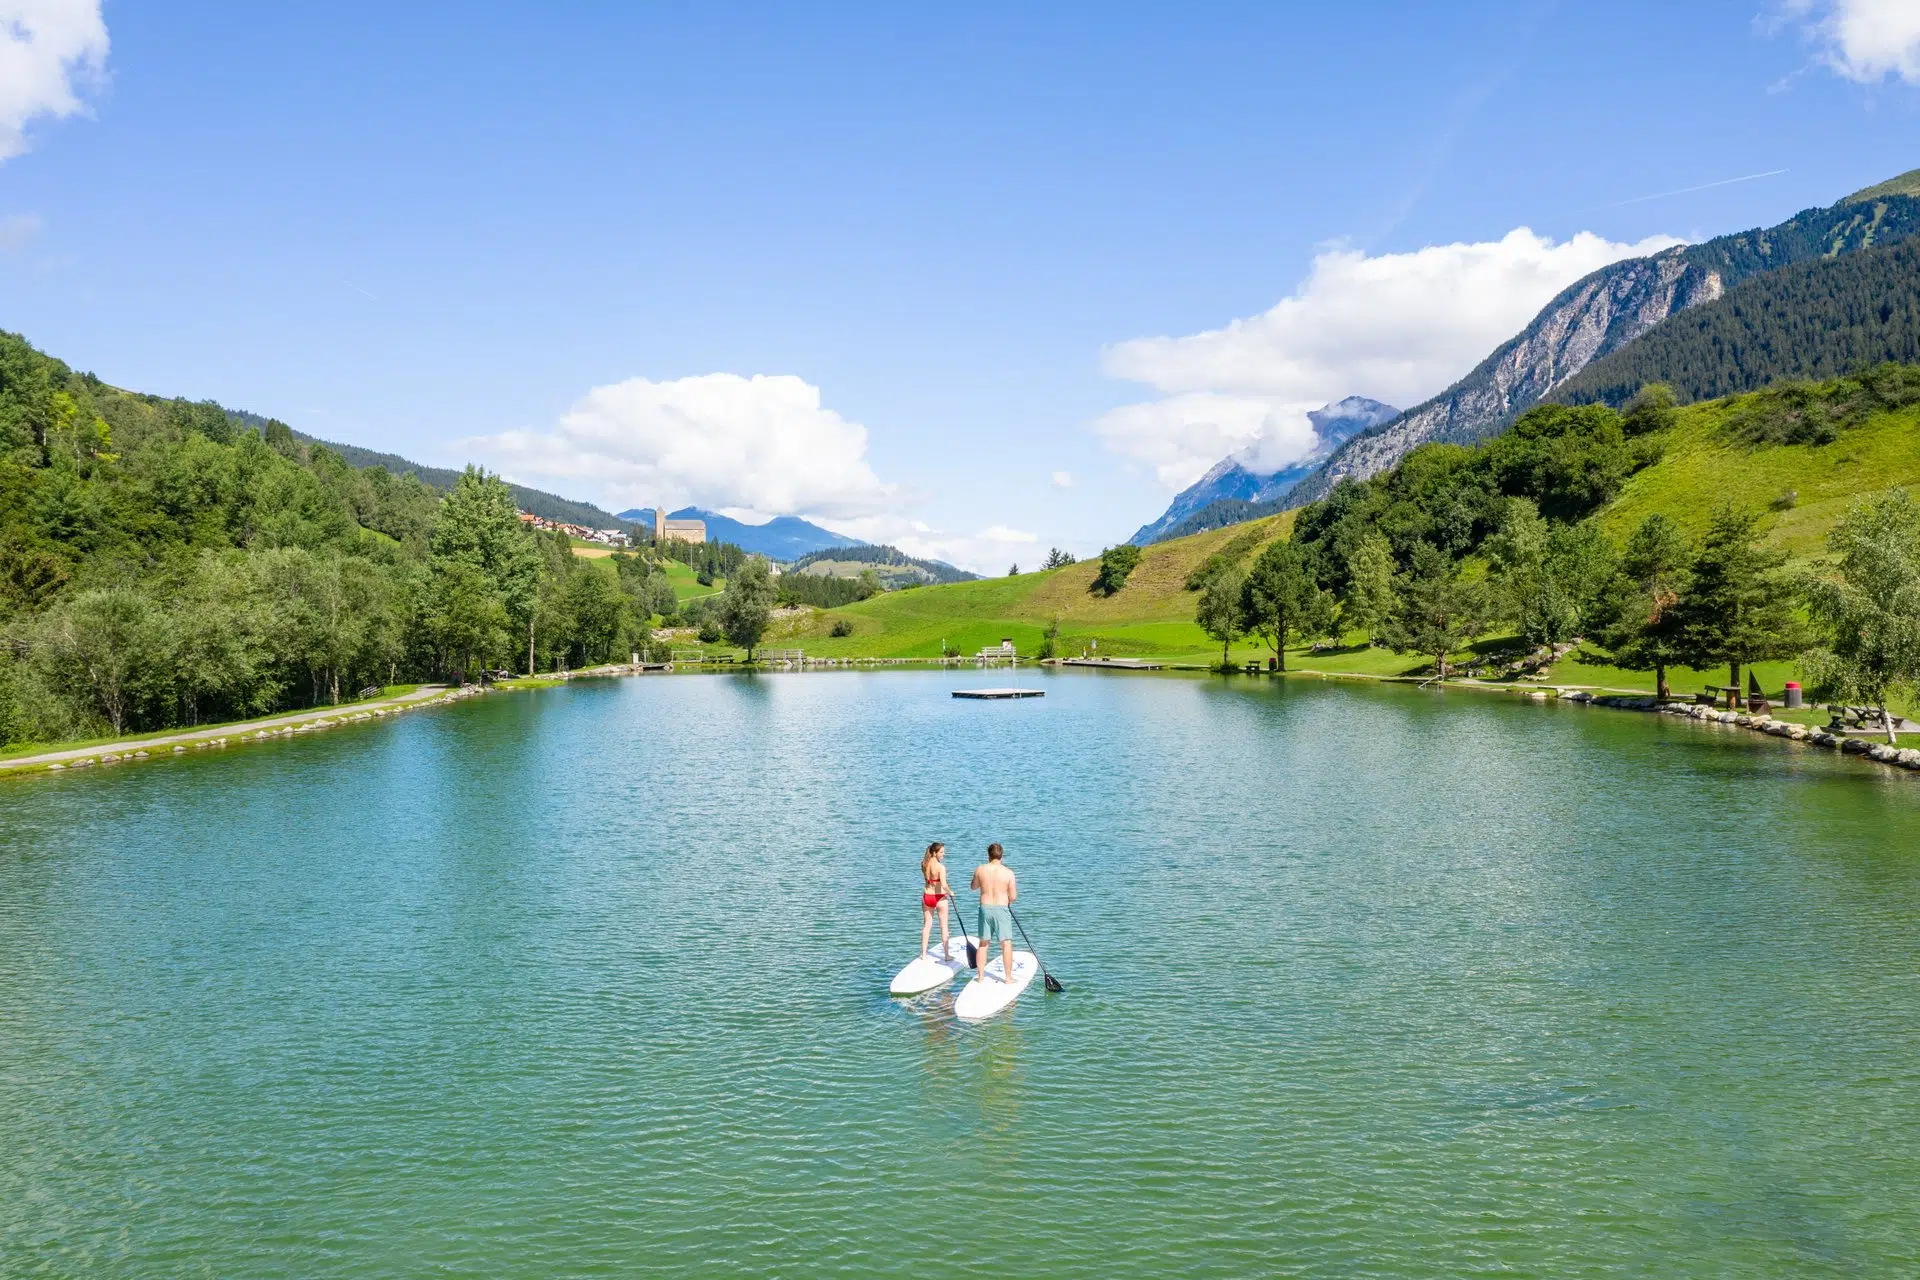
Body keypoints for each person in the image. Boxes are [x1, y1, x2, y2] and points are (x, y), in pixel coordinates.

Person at [969, 842, 1017, 982]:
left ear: (988, 855)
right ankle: (1008, 978)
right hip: (1001, 909)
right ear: (1001, 856)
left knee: (983, 943)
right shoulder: (1008, 873)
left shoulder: (980, 869)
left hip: (985, 908)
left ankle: (981, 977)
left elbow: (973, 887)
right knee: (1006, 944)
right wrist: (1008, 899)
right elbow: (1013, 896)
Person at [920, 842, 954, 958]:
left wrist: (940, 889)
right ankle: (946, 955)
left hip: (927, 896)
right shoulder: (941, 867)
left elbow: (931, 882)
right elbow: (943, 884)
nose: (943, 854)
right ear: (934, 853)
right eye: (941, 852)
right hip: (939, 898)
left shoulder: (924, 864)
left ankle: (924, 954)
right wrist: (950, 892)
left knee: (927, 925)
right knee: (944, 927)